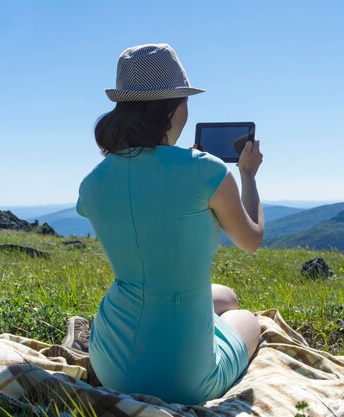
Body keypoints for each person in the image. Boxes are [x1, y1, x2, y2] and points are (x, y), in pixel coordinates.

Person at [76, 44, 264, 405]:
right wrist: (248, 175)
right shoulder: (206, 170)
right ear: (177, 106)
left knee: (223, 294)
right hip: (185, 379)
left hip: (111, 361)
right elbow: (251, 239)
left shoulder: (93, 183)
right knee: (245, 318)